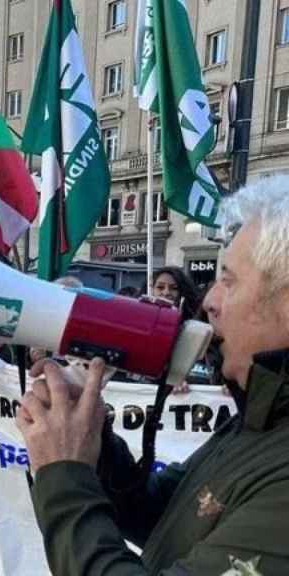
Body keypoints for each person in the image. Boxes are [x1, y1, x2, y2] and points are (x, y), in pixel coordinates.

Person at [17, 178, 289, 575]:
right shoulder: (260, 418)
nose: (209, 301)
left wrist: (63, 477)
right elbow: (159, 511)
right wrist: (92, 440)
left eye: (228, 281)